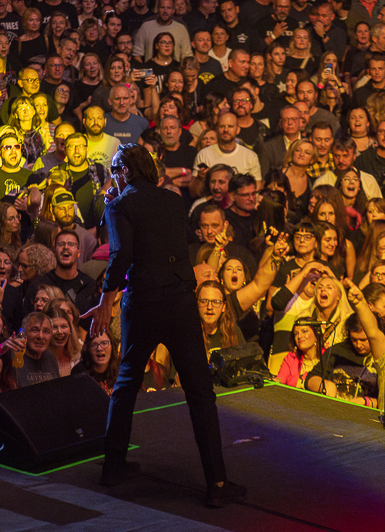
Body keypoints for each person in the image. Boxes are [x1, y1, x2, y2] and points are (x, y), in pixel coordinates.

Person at [82, 143, 244, 507]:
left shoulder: (120, 204)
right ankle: (216, 483)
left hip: (142, 302)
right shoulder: (173, 200)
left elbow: (122, 255)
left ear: (124, 170)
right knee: (200, 392)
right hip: (179, 301)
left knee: (125, 384)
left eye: (114, 171)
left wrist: (106, 302)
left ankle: (113, 466)